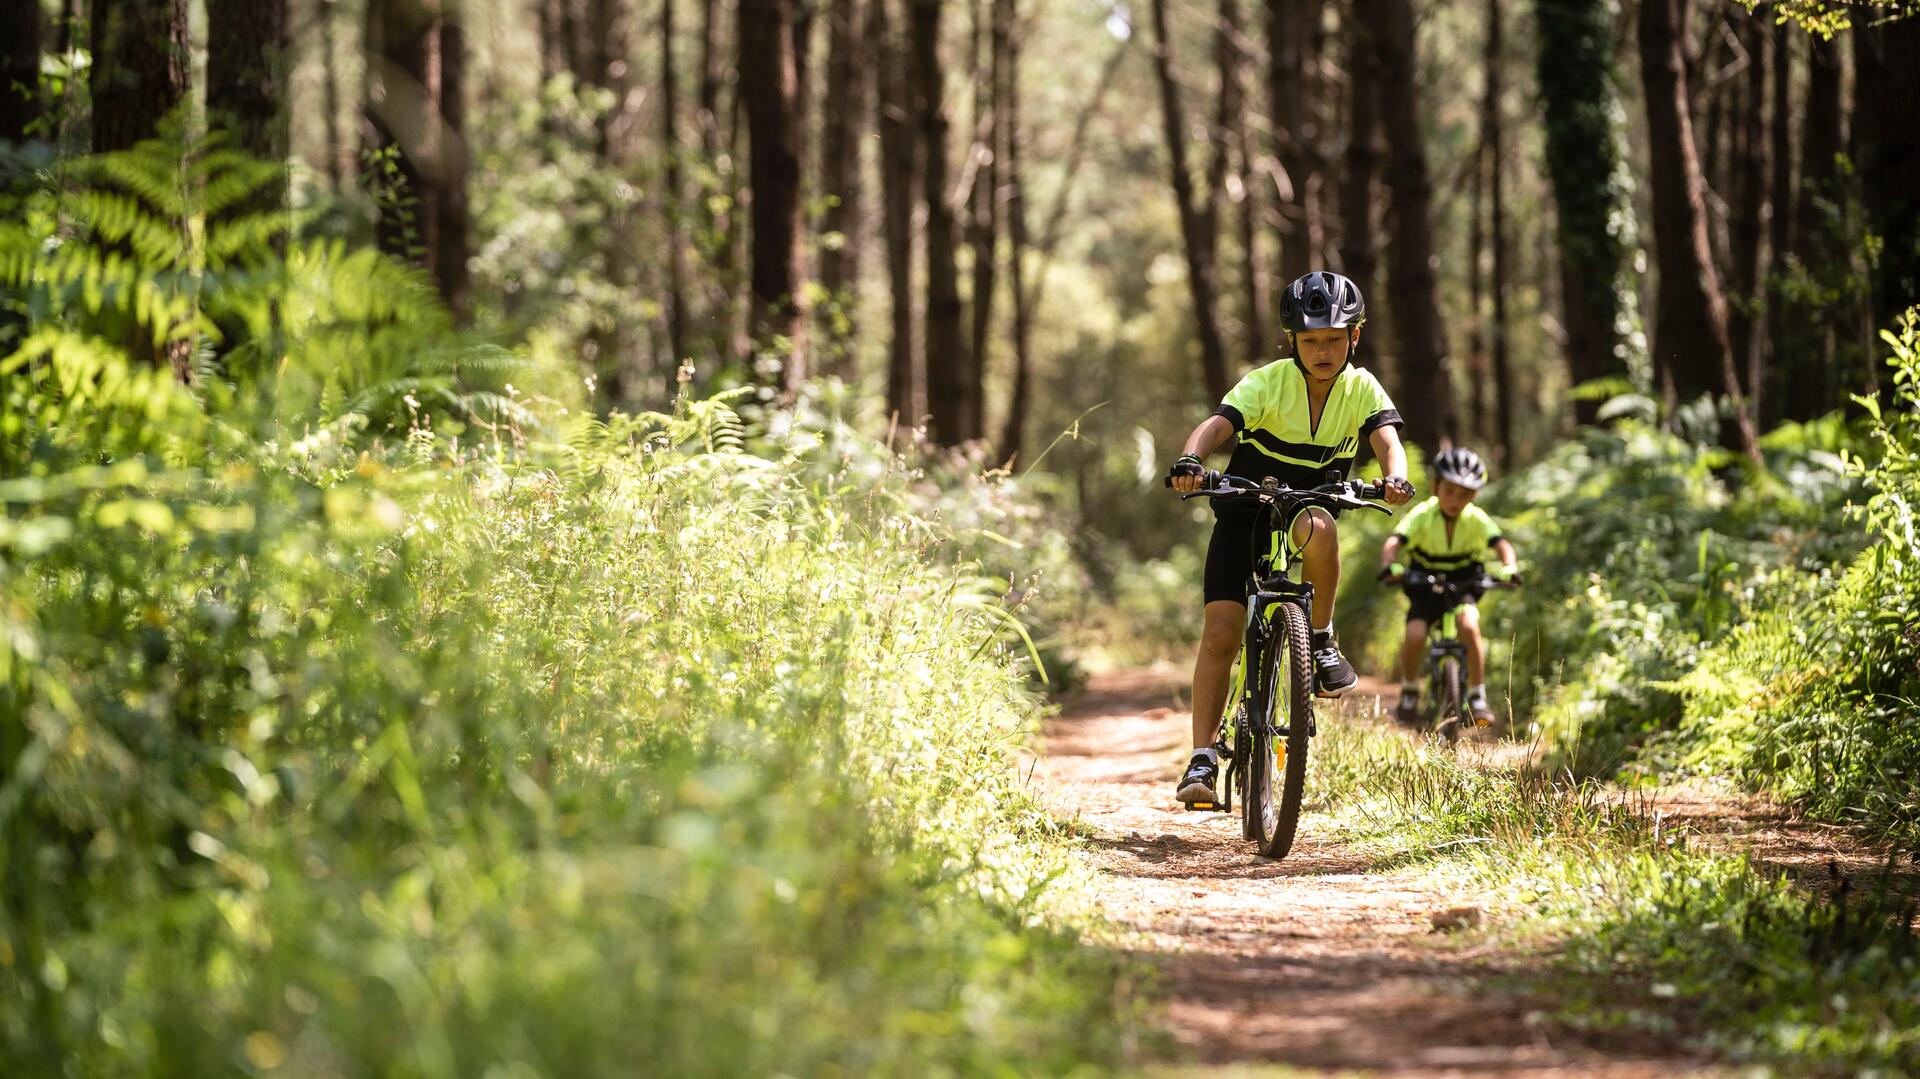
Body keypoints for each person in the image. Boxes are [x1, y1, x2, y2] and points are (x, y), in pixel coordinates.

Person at [1168, 271, 1415, 806]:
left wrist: (1394, 476)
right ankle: (1202, 757)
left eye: (1334, 338)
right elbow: (1217, 425)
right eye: (1310, 340)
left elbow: (1387, 441)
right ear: (1293, 342)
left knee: (1321, 528)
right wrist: (1192, 459)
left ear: (1354, 337)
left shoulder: (1361, 386)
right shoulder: (1268, 382)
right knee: (1219, 636)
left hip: (1310, 505)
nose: (1323, 350)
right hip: (1244, 507)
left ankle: (1320, 638)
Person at [1378, 447, 1519, 726]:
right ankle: (1409, 690)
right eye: (1450, 491)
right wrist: (1390, 564)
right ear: (1435, 487)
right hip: (1424, 582)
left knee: (1469, 625)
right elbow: (1395, 541)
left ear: (1474, 496)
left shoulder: (1476, 518)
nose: (1456, 500)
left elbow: (1501, 544)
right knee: (1416, 633)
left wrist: (1509, 567)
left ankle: (1478, 696)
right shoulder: (1422, 513)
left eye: (1465, 494)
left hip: (1463, 581)